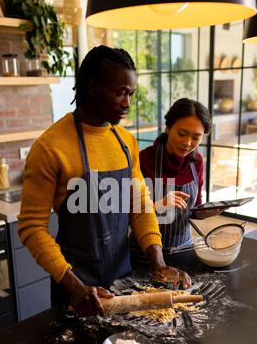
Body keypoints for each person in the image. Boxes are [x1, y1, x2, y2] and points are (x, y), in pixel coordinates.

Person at [18, 46, 191, 317]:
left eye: (130, 94)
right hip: (75, 290)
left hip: (123, 282)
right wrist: (74, 285)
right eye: (120, 92)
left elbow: (141, 206)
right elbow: (32, 228)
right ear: (93, 87)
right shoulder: (51, 148)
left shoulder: (126, 142)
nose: (127, 103)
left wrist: (158, 263)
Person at [131, 97, 221, 265]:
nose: (187, 143)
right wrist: (160, 205)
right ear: (168, 127)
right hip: (144, 255)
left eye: (196, 137)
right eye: (182, 133)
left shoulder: (197, 162)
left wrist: (206, 211)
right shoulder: (144, 159)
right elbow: (128, 212)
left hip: (183, 250)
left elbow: (194, 208)